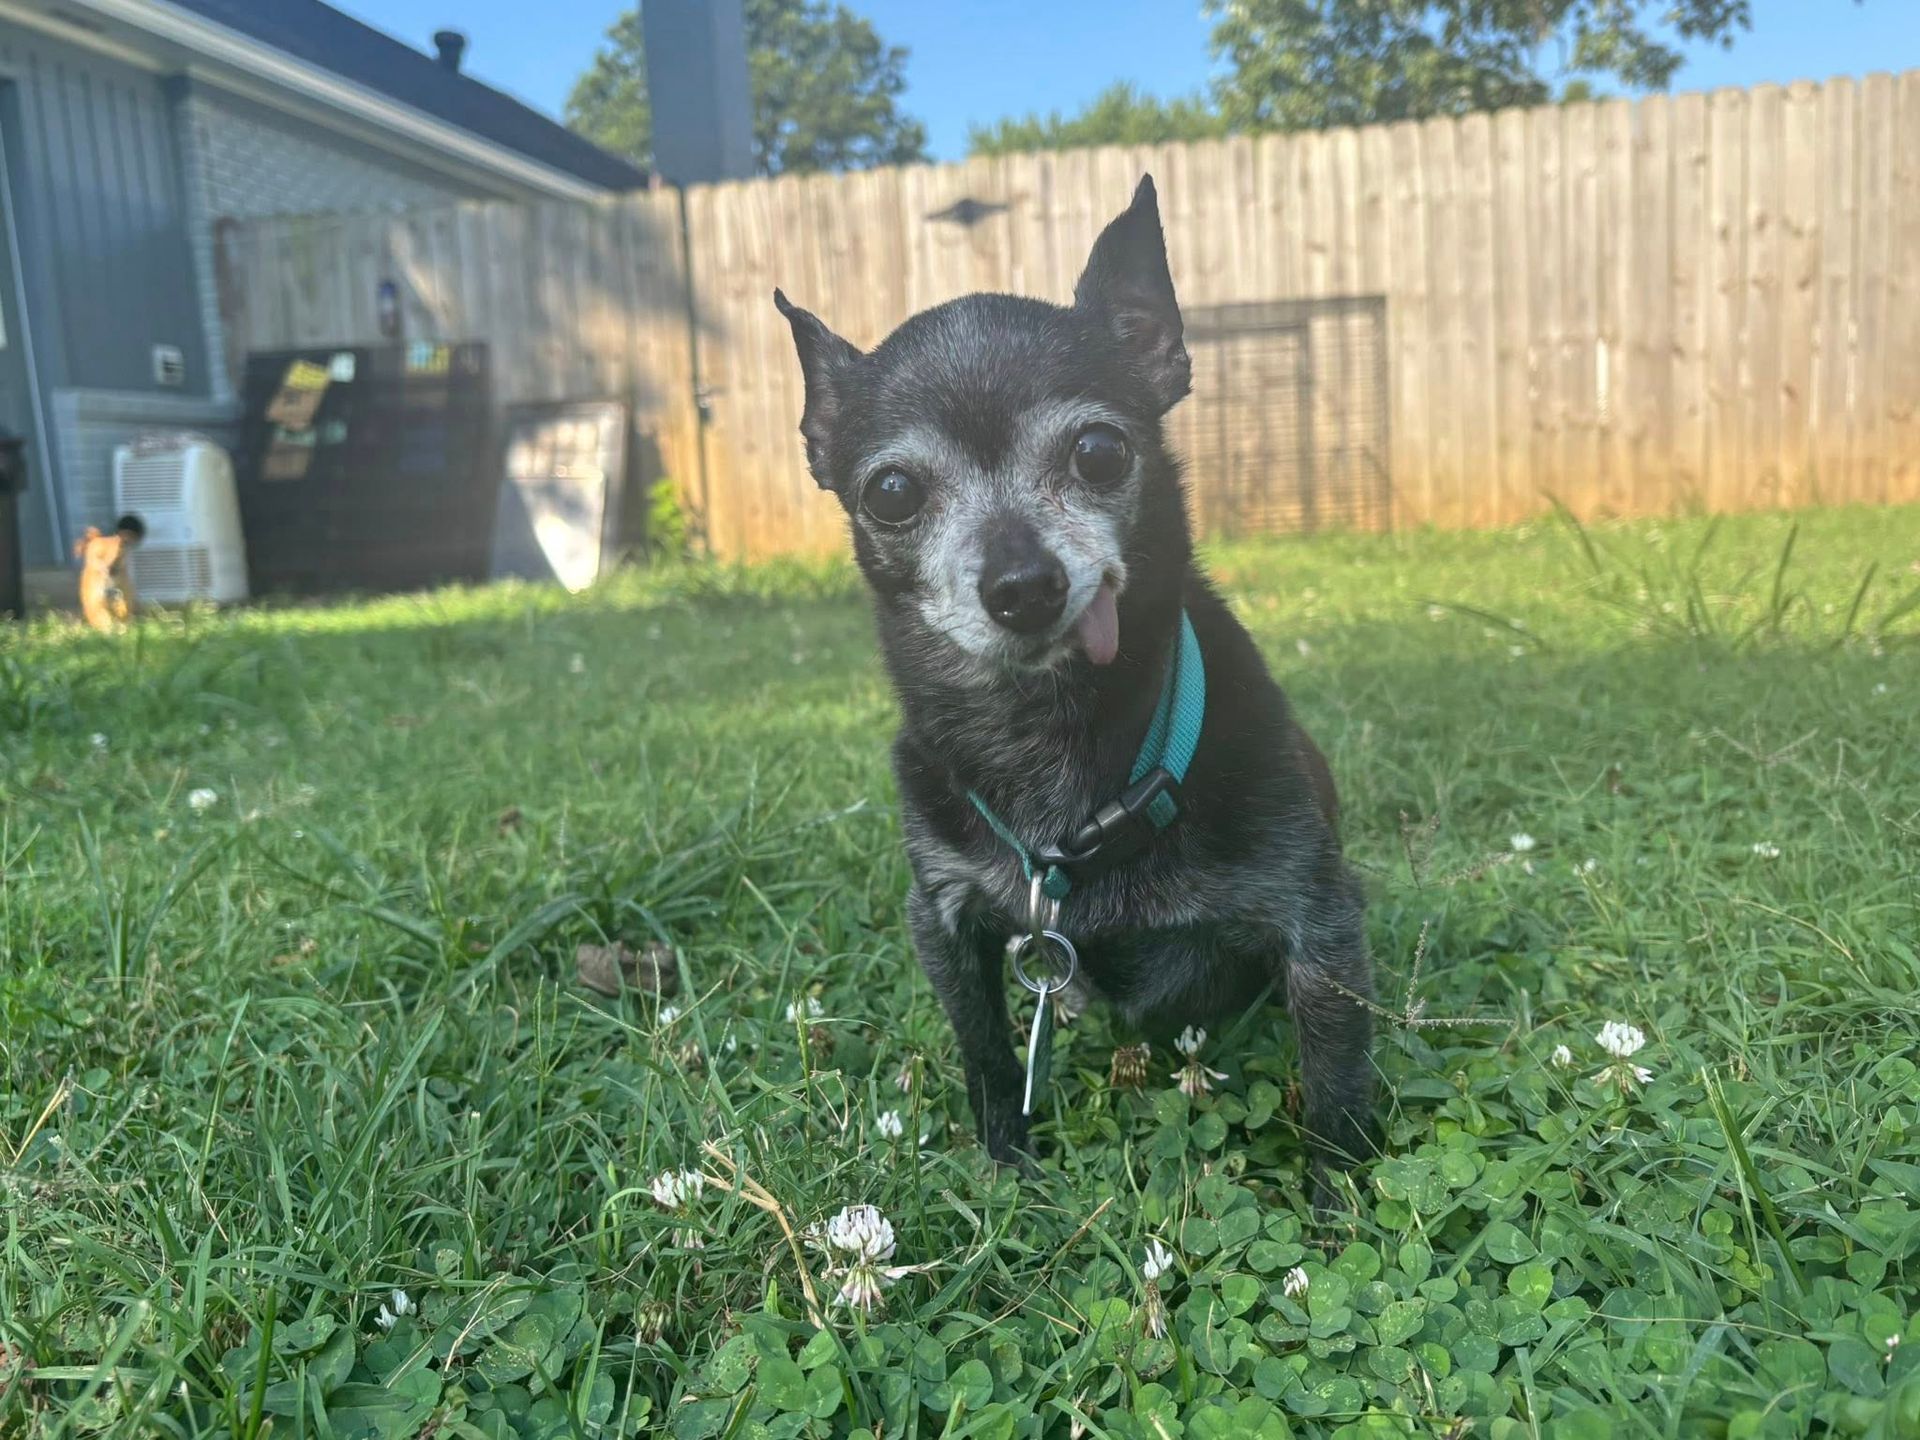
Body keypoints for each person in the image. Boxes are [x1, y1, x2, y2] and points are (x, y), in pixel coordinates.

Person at [73, 513, 145, 631]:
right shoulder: (98, 548)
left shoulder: (115, 550)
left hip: (112, 579)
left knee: (121, 612)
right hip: (99, 579)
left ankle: (115, 628)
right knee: (101, 613)